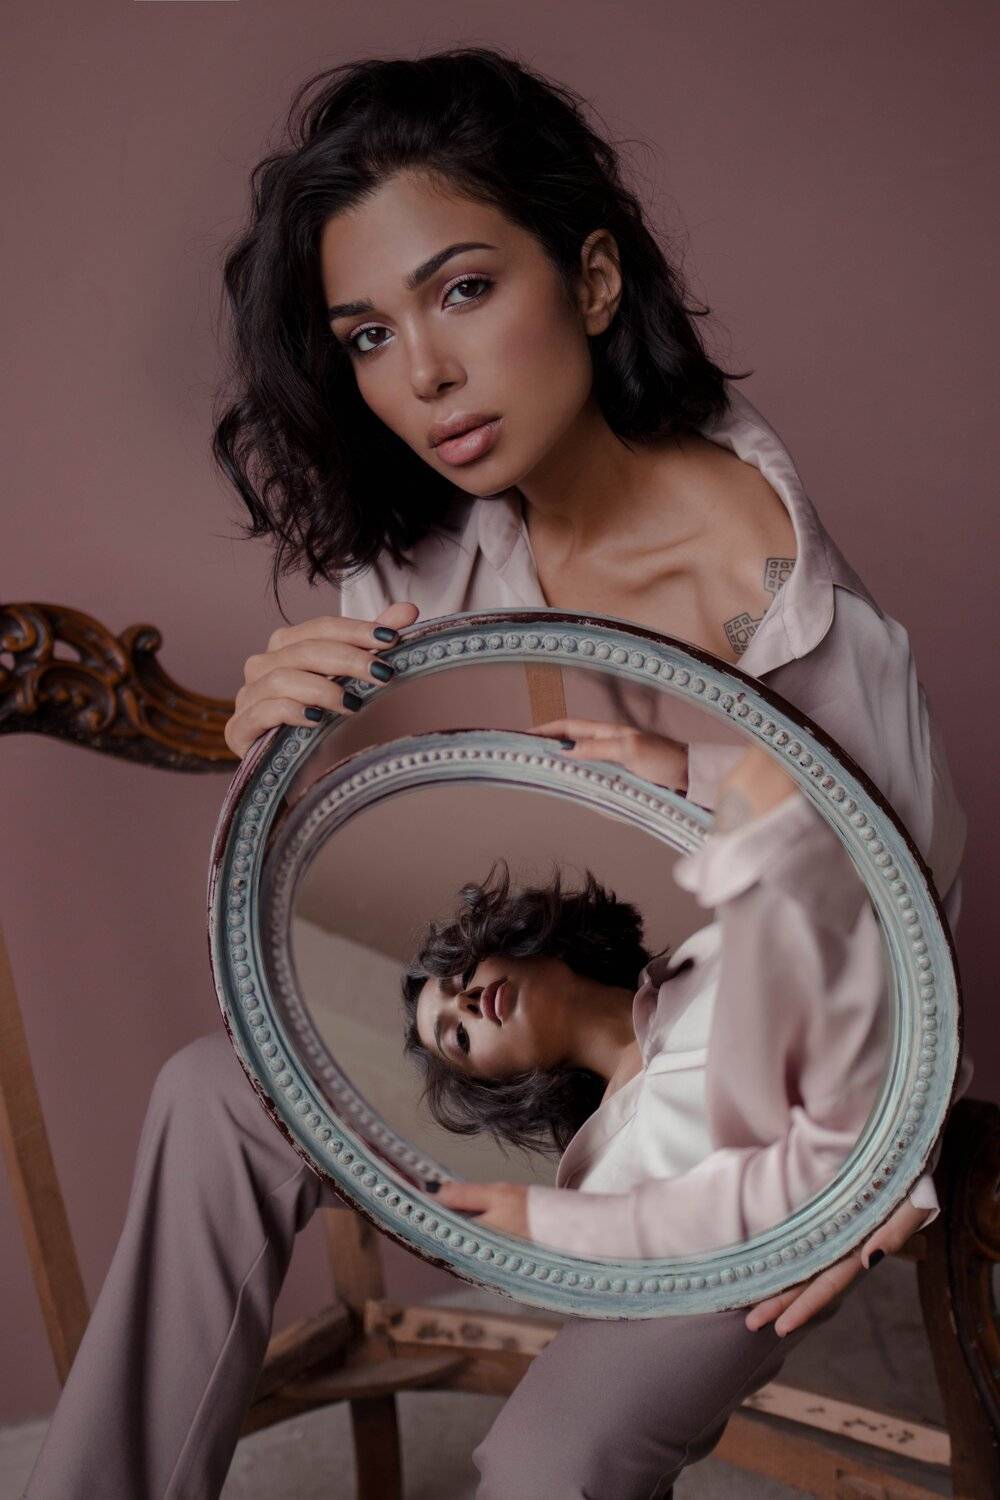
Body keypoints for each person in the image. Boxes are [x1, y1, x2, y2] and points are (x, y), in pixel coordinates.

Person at [25, 45, 972, 1500]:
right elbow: (306, 891)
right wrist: (276, 734)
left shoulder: (794, 614)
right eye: (367, 334)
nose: (424, 377)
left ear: (590, 280)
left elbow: (905, 949)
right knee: (213, 1094)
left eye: (463, 290)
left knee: (551, 1456)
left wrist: (875, 1177)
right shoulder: (428, 551)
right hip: (559, 1085)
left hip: (757, 1130)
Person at [405, 744, 894, 1258]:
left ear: (506, 943)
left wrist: (690, 769)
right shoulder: (599, 1184)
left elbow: (870, 922)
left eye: (461, 977)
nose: (467, 1004)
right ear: (497, 1084)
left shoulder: (706, 955)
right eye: (459, 1037)